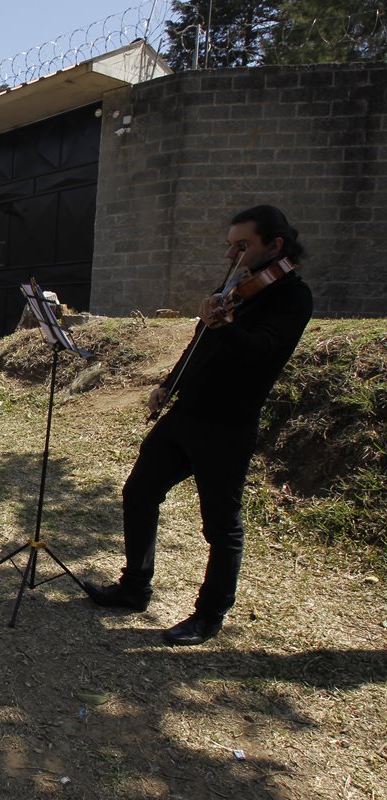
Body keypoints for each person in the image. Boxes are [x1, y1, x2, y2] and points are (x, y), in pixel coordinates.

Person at [85, 205, 313, 646]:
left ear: (275, 245)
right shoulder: (234, 288)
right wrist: (168, 384)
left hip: (228, 425)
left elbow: (261, 352)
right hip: (185, 414)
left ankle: (209, 615)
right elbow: (199, 343)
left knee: (220, 524)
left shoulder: (292, 297)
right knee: (140, 491)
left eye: (242, 245)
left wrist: (223, 325)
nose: (232, 254)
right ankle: (134, 587)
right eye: (230, 245)